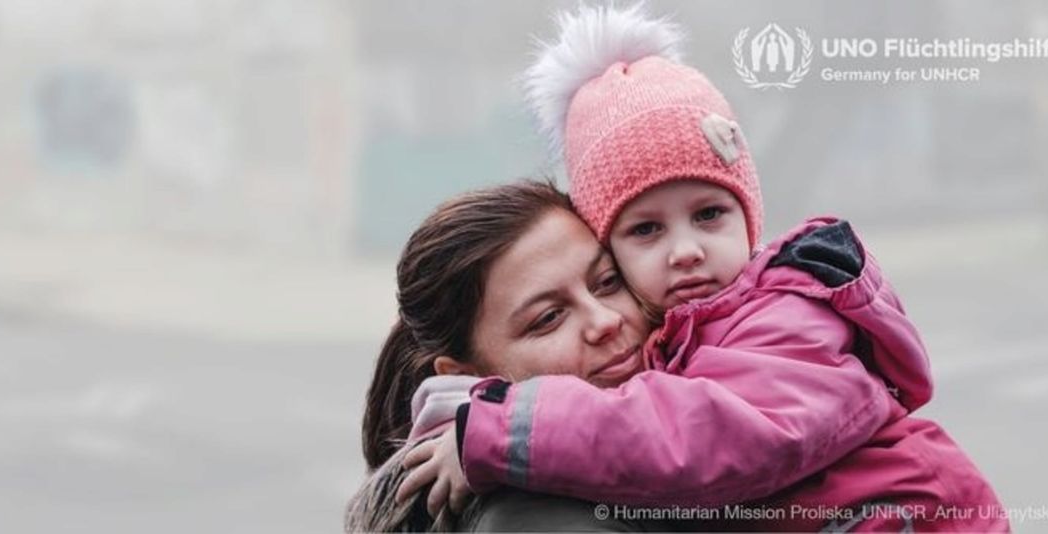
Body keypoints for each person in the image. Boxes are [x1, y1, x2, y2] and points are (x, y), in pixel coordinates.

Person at [399, 5, 1008, 531]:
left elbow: (696, 437)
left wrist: (499, 431)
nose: (685, 249)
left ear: (750, 217)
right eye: (645, 231)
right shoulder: (532, 511)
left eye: (710, 214)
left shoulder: (788, 313)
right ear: (464, 370)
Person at [344, 180, 677, 531]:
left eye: (608, 282)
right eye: (548, 318)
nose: (605, 320)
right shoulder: (534, 516)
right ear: (466, 376)